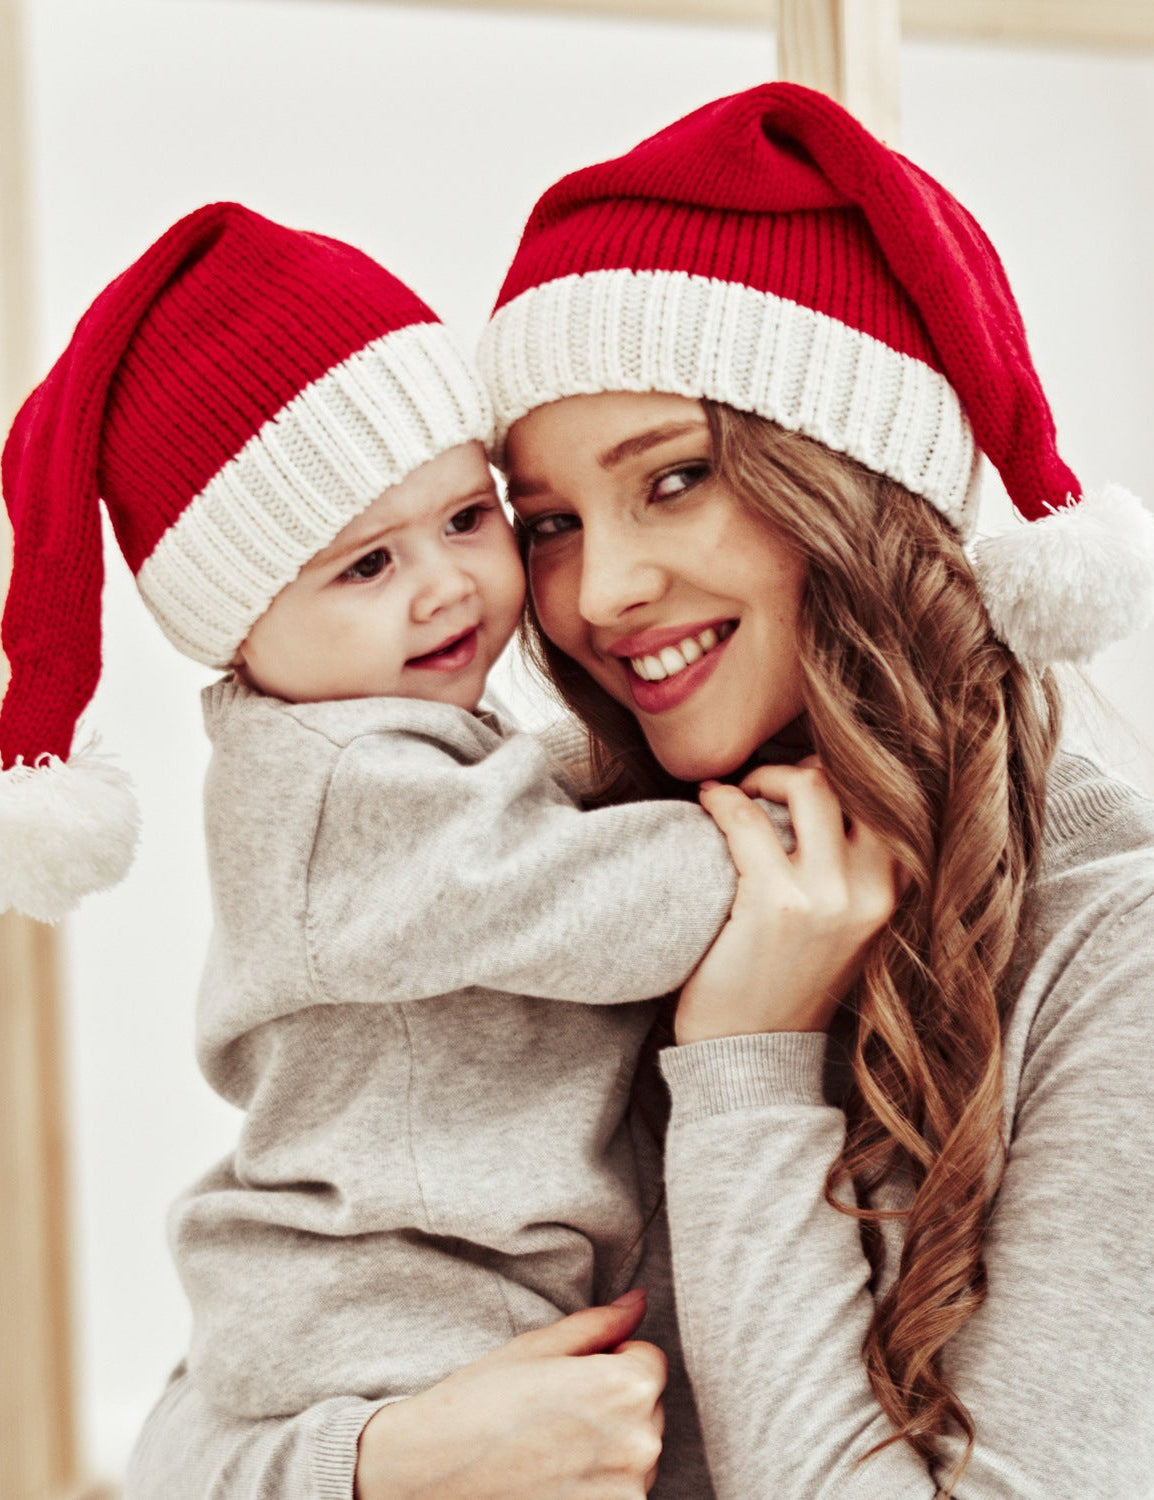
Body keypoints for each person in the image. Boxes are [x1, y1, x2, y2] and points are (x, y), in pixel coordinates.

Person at [127, 84, 1154, 1499]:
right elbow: (193, 1428)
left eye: (677, 479)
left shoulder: (1133, 947)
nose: (601, 592)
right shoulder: (563, 846)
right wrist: (383, 1462)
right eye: (549, 523)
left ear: (852, 477)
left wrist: (749, 1061)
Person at [0, 202, 807, 1495]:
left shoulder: (385, 746)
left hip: (429, 1277)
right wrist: (768, 841)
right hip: (401, 1301)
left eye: (468, 519)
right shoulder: (338, 786)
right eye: (367, 566)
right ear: (241, 628)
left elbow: (517, 829)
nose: (443, 585)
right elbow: (568, 900)